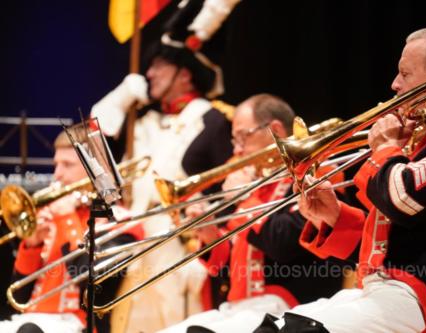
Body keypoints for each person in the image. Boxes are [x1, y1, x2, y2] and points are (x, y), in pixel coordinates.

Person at [251, 27, 426, 333]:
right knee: (269, 328)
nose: (395, 84)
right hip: (389, 290)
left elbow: (401, 199)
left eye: (405, 74)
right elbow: (395, 241)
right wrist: (336, 216)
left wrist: (384, 149)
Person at [90, 2, 234, 331]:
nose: (149, 73)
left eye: (159, 66)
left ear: (185, 74)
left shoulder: (213, 121)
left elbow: (231, 191)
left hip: (181, 249)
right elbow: (90, 148)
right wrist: (120, 98)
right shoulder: (142, 118)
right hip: (132, 243)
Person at [160, 94, 353, 333]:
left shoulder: (318, 171)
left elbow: (283, 244)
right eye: (234, 140)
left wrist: (243, 200)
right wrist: (210, 235)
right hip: (241, 305)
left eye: (243, 137)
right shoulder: (256, 181)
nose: (238, 150)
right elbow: (233, 267)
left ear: (274, 129)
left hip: (291, 306)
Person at [0, 131, 143, 333]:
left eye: (67, 165)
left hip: (78, 325)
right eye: (56, 164)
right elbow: (19, 297)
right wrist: (32, 245)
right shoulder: (50, 212)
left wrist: (67, 220)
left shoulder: (122, 221)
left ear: (96, 169)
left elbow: (96, 285)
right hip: (31, 320)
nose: (57, 174)